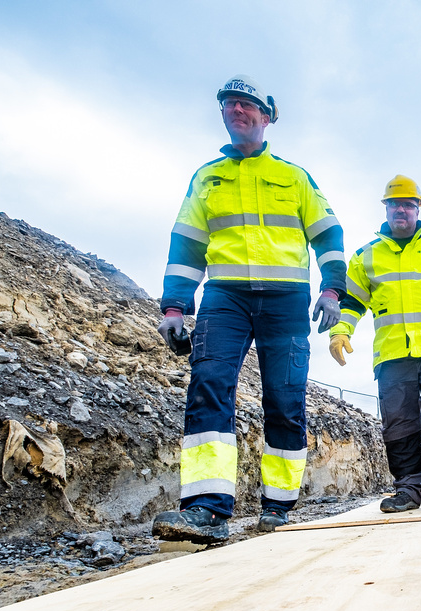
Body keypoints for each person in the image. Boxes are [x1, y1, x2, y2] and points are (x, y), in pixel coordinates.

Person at [152, 74, 346, 543]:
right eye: (229, 105)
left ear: (265, 115)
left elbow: (328, 235)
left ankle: (277, 506)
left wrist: (332, 290)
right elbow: (187, 246)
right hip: (225, 299)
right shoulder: (207, 178)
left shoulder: (294, 177)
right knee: (210, 386)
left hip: (285, 301)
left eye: (245, 104)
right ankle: (205, 509)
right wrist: (175, 306)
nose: (237, 110)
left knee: (285, 400)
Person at [328, 175, 421, 512]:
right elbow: (353, 302)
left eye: (408, 204)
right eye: (395, 204)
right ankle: (409, 489)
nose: (402, 209)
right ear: (386, 208)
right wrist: (341, 331)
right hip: (392, 351)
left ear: (418, 209)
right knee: (399, 421)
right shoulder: (366, 256)